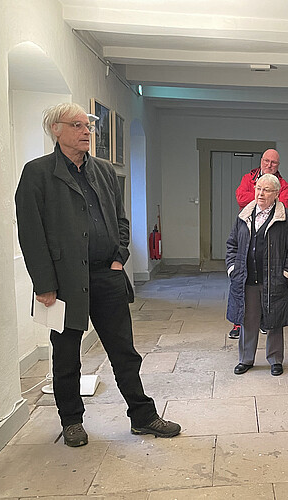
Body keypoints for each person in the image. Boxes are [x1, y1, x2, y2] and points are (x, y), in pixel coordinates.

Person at [15, 103, 181, 447]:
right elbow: (30, 234)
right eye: (77, 125)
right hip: (63, 283)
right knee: (66, 356)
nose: (86, 131)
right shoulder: (38, 173)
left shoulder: (104, 171)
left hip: (107, 276)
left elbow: (121, 221)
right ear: (56, 130)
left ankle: (143, 416)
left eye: (88, 125)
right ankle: (72, 421)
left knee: (124, 351)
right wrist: (44, 284)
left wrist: (120, 257)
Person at [226, 174, 288, 377]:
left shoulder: (285, 216)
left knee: (274, 320)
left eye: (266, 190)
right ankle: (246, 359)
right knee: (247, 320)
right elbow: (232, 244)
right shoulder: (244, 214)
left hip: (274, 278)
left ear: (276, 194)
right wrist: (233, 268)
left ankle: (275, 360)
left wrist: (287, 274)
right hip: (247, 279)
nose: (260, 193)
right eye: (258, 188)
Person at [229, 148, 288, 339]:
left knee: (267, 283)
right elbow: (240, 198)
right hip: (247, 233)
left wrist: (256, 198)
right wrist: (266, 198)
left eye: (273, 162)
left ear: (278, 165)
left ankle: (265, 320)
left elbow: (284, 205)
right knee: (243, 283)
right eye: (266, 161)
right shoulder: (249, 177)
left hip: (271, 238)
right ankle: (238, 324)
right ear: (261, 160)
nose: (269, 165)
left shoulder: (284, 184)